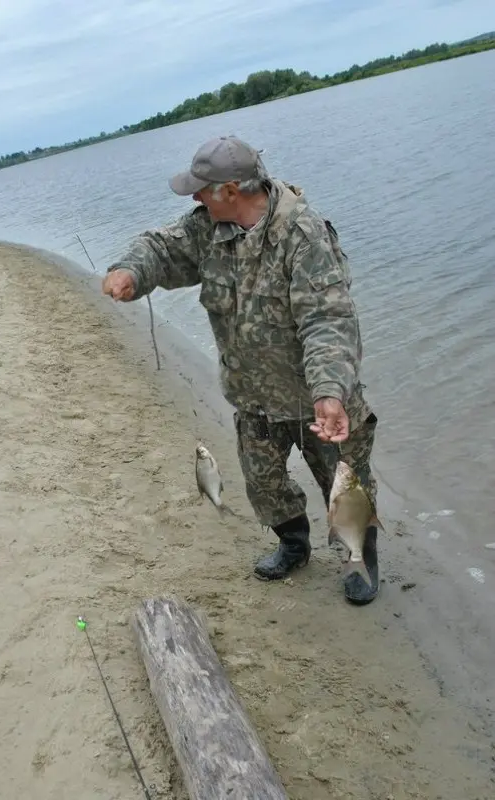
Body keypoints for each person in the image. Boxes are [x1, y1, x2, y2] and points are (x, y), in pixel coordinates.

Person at [102, 135, 380, 605]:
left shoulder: (303, 236)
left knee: (346, 486)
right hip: (252, 398)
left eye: (202, 189)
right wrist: (131, 272)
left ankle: (359, 558)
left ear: (231, 190)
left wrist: (329, 392)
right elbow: (160, 249)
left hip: (319, 401)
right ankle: (294, 544)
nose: (194, 197)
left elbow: (328, 321)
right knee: (265, 486)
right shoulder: (208, 228)